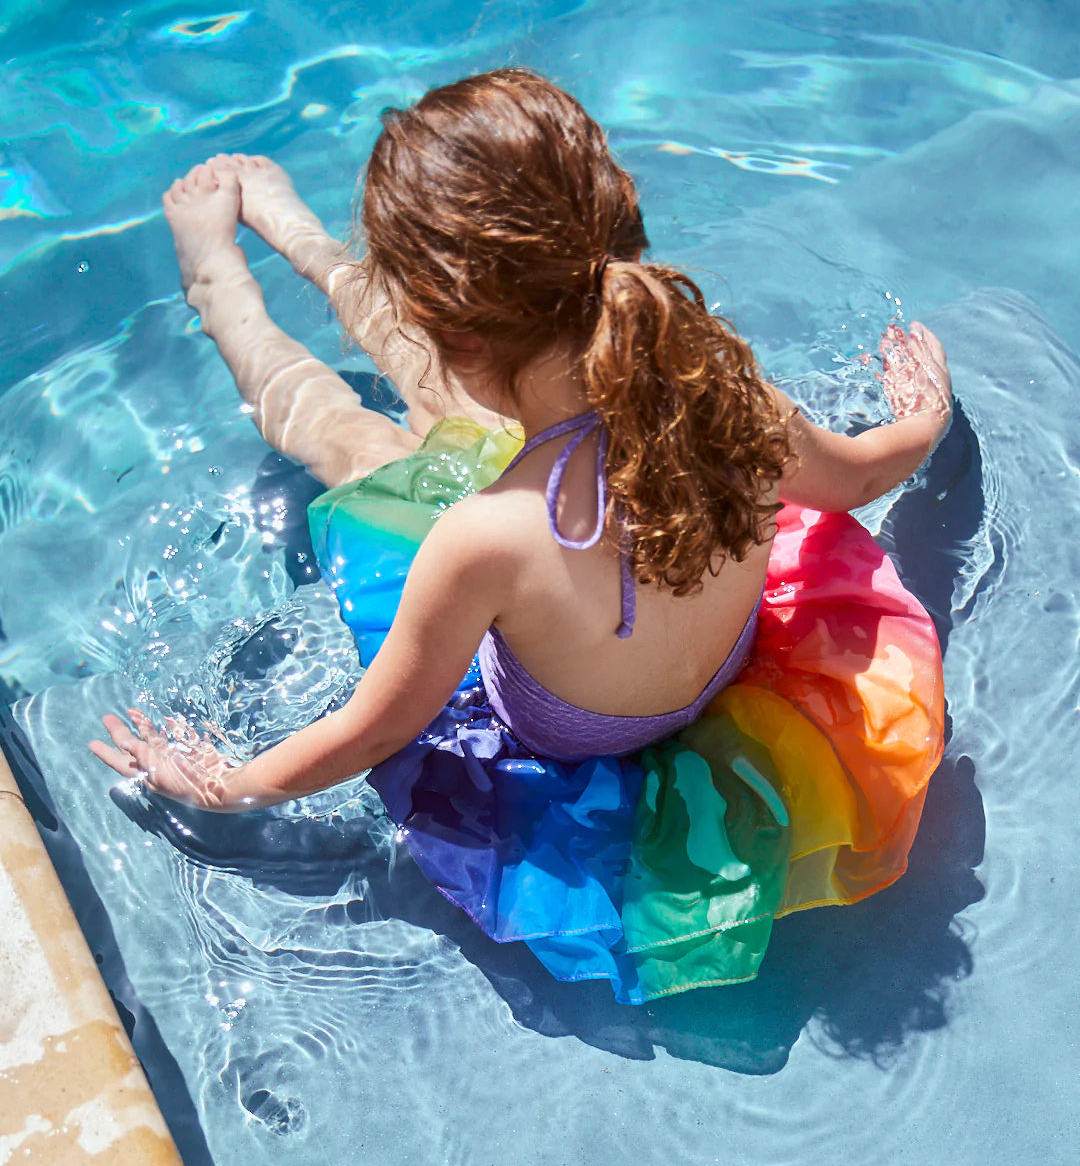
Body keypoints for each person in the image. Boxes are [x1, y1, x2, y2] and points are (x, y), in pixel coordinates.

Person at [90, 69, 949, 1003]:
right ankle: (295, 235)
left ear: (443, 320)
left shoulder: (483, 542)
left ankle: (219, 269)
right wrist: (926, 415)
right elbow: (863, 473)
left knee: (350, 436)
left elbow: (369, 731)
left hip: (565, 733)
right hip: (720, 654)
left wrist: (222, 785)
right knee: (451, 400)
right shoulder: (729, 401)